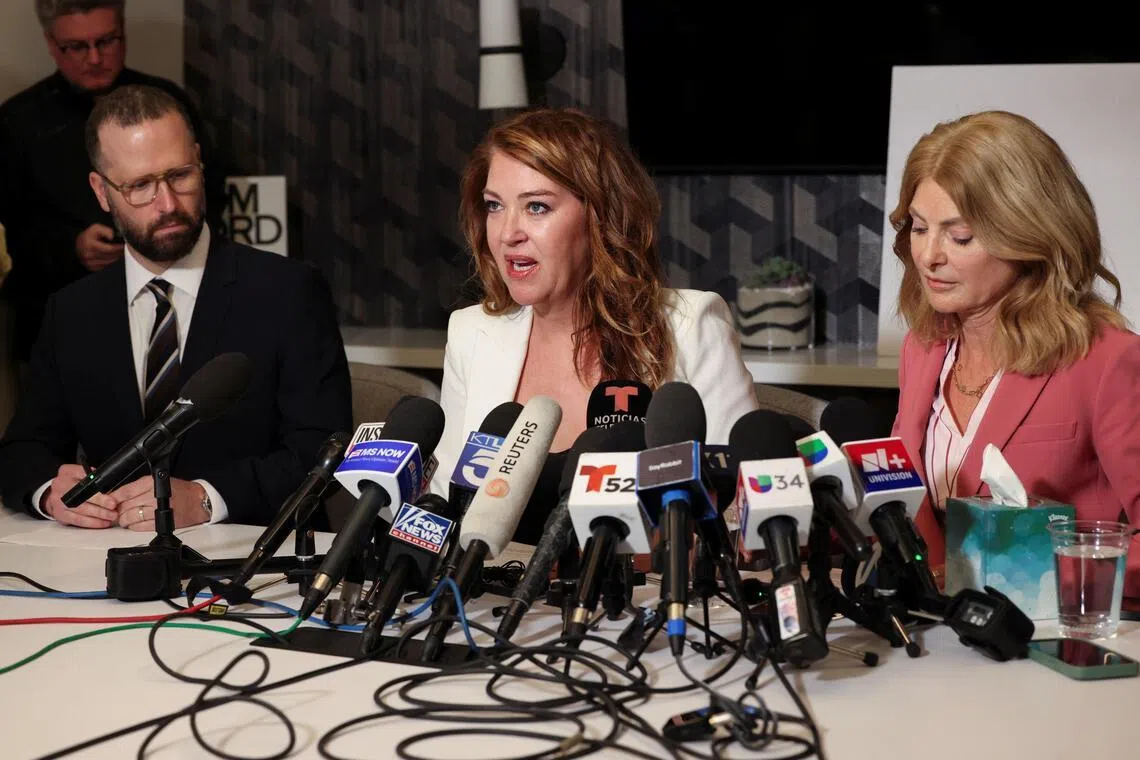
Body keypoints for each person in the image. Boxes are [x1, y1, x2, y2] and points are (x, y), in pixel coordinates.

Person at [0, 84, 352, 531]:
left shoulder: (288, 291)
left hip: (256, 560)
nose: (167, 204)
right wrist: (50, 491)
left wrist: (208, 498)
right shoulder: (72, 311)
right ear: (101, 191)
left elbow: (326, 450)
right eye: (140, 186)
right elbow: (20, 452)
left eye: (179, 176)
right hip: (108, 562)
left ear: (200, 164)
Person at [432, 107, 758, 542]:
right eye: (494, 206)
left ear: (600, 217)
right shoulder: (472, 333)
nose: (508, 232)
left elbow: (744, 517)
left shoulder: (690, 325)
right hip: (496, 600)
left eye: (536, 207)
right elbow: (446, 504)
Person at [888, 110, 1140, 596]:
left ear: (1029, 235)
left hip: (1057, 644)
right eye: (919, 228)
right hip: (939, 637)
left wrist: (1035, 579)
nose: (928, 255)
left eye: (959, 236)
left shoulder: (1108, 361)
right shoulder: (922, 348)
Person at [0, 0, 225, 373]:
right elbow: (8, 237)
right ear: (52, 44)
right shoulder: (16, 122)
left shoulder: (167, 104)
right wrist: (70, 248)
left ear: (123, 33)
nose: (94, 57)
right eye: (77, 47)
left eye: (107, 41)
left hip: (174, 307)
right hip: (57, 320)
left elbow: (210, 195)